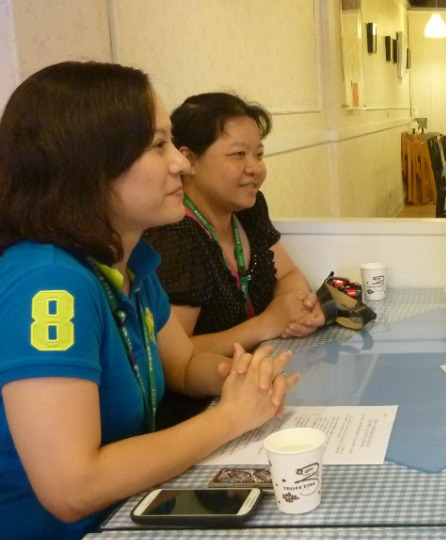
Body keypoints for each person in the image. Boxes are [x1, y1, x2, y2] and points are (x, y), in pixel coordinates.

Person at [0, 62, 299, 540]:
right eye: (159, 146)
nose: (180, 163)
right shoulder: (49, 283)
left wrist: (242, 377)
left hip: (132, 511)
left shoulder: (130, 261)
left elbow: (183, 365)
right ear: (91, 165)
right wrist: (230, 417)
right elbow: (73, 488)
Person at [144, 93, 324, 426]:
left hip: (258, 381)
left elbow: (288, 275)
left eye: (259, 154)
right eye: (238, 154)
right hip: (199, 407)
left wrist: (297, 308)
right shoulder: (174, 235)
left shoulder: (249, 208)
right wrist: (268, 324)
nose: (255, 168)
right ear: (189, 160)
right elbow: (176, 355)